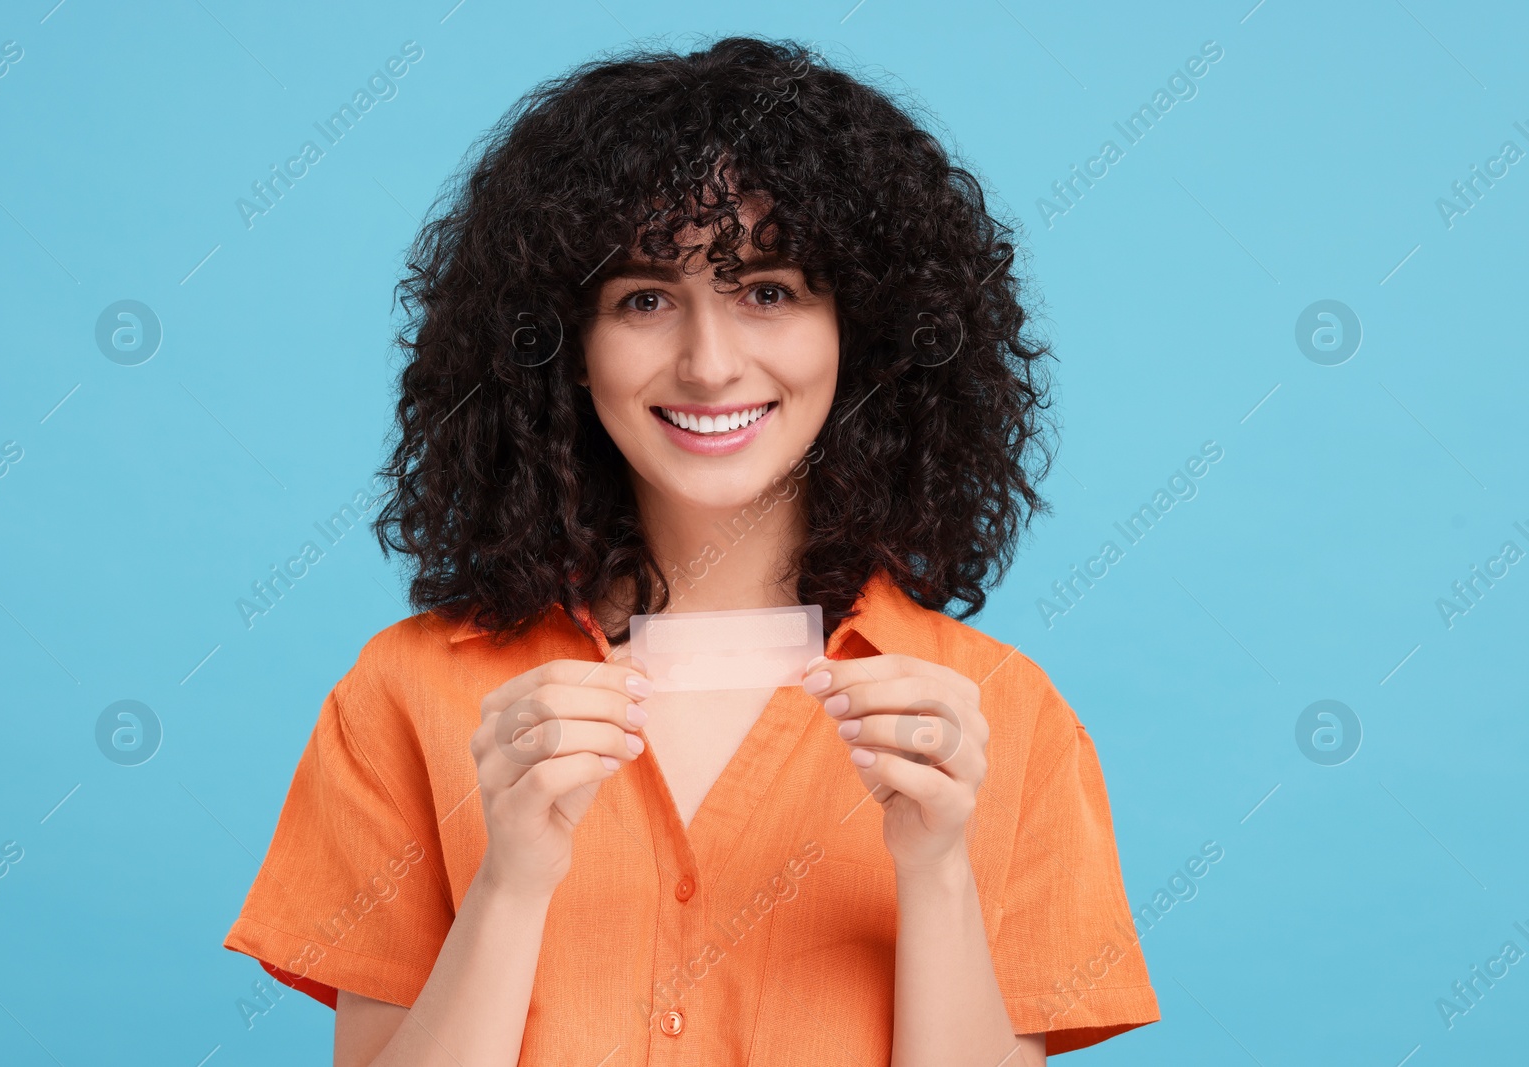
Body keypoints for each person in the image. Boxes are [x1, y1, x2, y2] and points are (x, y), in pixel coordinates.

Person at [223, 35, 1159, 1066]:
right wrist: (511, 879)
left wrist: (936, 869)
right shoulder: (403, 698)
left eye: (768, 290)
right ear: (562, 345)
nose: (709, 364)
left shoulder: (1002, 721)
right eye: (643, 298)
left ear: (865, 332)